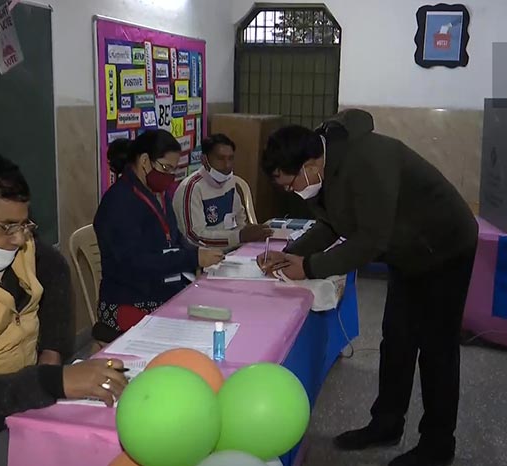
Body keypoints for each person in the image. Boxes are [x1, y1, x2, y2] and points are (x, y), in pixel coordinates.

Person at [258, 109, 478, 466]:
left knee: (437, 347)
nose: (291, 191)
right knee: (397, 337)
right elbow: (330, 224)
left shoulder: (368, 160)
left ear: (311, 163)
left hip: (444, 245)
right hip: (408, 250)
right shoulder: (324, 168)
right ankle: (386, 423)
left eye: (290, 183)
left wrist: (310, 266)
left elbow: (370, 240)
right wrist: (289, 255)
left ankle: (438, 444)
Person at [0, 154, 128, 466]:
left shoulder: (14, 242)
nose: (21, 238)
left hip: (25, 391)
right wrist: (52, 382)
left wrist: (50, 357)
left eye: (24, 224)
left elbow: (55, 272)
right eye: (9, 226)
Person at [93, 130, 224, 343]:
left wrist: (196, 254)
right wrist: (192, 259)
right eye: (166, 168)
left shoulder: (157, 194)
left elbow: (173, 237)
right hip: (127, 302)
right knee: (190, 336)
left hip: (161, 290)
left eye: (174, 170)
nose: (170, 177)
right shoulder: (119, 203)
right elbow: (135, 263)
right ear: (145, 161)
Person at [173, 133, 272, 251]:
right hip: (204, 258)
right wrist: (239, 237)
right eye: (220, 159)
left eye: (230, 158)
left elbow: (240, 220)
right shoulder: (191, 188)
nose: (227, 165)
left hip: (233, 252)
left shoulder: (230, 181)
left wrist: (248, 235)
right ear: (204, 160)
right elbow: (194, 237)